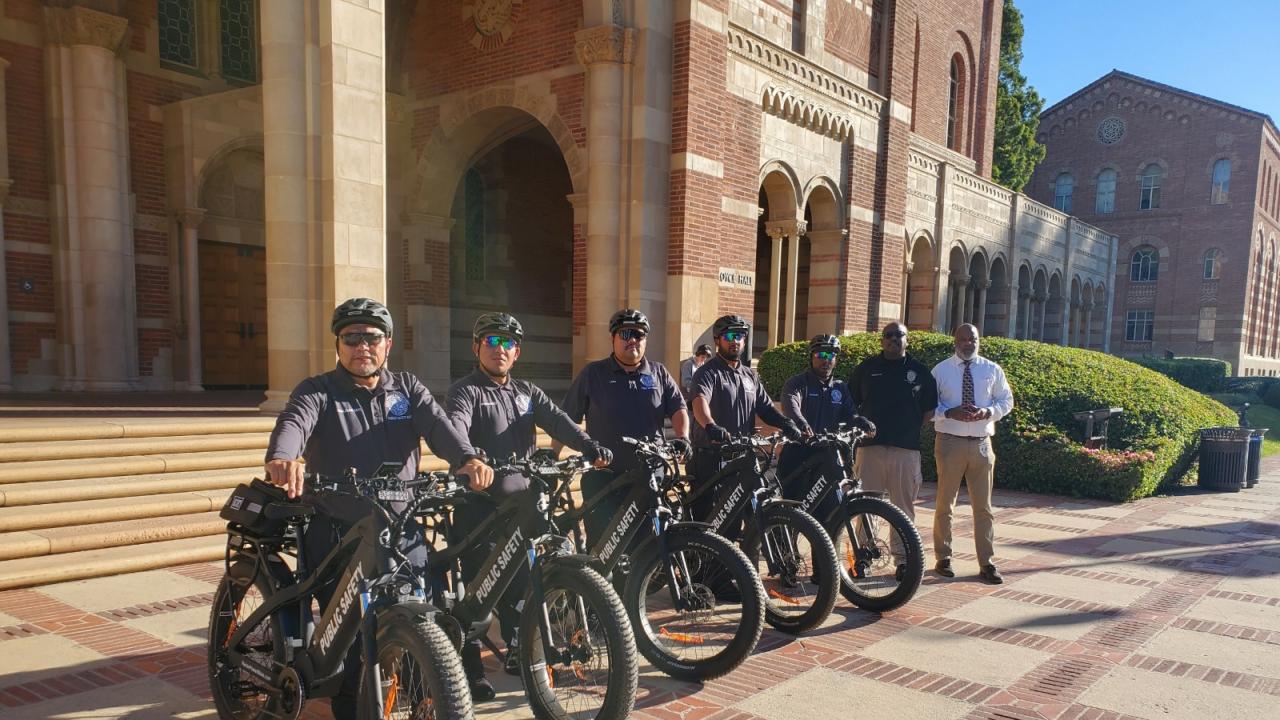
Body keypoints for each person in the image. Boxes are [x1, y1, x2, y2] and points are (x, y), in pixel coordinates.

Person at [264, 298, 493, 720]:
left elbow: (440, 427)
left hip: (400, 528)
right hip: (337, 532)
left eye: (371, 337)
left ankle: (427, 698)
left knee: (421, 618)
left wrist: (467, 458)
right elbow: (295, 422)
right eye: (351, 337)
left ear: (388, 344)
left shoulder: (406, 388)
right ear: (338, 344)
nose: (361, 346)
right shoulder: (318, 390)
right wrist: (285, 457)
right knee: (348, 643)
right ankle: (350, 704)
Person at [445, 311, 611, 698]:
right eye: (491, 341)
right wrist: (471, 459)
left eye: (507, 343)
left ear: (516, 352)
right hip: (480, 511)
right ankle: (471, 671)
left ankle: (522, 651)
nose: (499, 349)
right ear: (476, 347)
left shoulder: (527, 393)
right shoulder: (466, 391)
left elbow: (559, 421)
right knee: (478, 595)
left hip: (524, 510)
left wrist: (590, 446)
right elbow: (455, 425)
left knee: (522, 585)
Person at [560, 309, 692, 546]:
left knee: (649, 544)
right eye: (626, 333)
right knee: (604, 546)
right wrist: (553, 453)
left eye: (639, 335)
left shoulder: (659, 372)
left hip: (650, 477)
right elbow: (566, 418)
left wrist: (683, 437)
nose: (633, 339)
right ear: (613, 338)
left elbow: (678, 408)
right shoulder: (593, 373)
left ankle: (644, 584)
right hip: (605, 478)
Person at [689, 314, 803, 524]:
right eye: (729, 335)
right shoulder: (707, 373)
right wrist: (710, 425)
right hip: (711, 457)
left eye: (740, 335)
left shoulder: (749, 375)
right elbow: (699, 403)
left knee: (745, 518)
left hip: (742, 456)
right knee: (709, 522)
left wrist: (786, 423)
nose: (735, 340)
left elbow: (766, 408)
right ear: (717, 340)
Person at [848, 321, 938, 575]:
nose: (893, 339)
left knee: (902, 508)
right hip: (870, 449)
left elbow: (929, 411)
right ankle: (863, 556)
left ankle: (902, 560)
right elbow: (851, 403)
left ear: (907, 340)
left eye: (899, 335)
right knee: (866, 504)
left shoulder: (920, 372)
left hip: (905, 450)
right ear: (881, 341)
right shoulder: (866, 369)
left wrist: (904, 428)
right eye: (888, 335)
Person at [931, 323, 1014, 585]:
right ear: (955, 341)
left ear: (979, 341)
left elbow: (1006, 401)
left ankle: (987, 562)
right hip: (949, 442)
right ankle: (943, 557)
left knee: (984, 508)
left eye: (973, 339)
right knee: (946, 504)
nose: (968, 343)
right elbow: (927, 407)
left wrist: (988, 412)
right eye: (963, 339)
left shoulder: (992, 369)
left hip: (981, 444)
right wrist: (948, 412)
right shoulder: (941, 370)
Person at [778, 334, 875, 520]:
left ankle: (826, 549)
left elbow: (850, 414)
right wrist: (801, 424)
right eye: (820, 355)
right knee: (791, 515)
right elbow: (791, 405)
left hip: (827, 458)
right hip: (798, 455)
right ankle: (785, 548)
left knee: (830, 515)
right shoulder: (797, 383)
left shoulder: (840, 388)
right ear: (811, 357)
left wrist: (861, 421)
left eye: (831, 355)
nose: (826, 360)